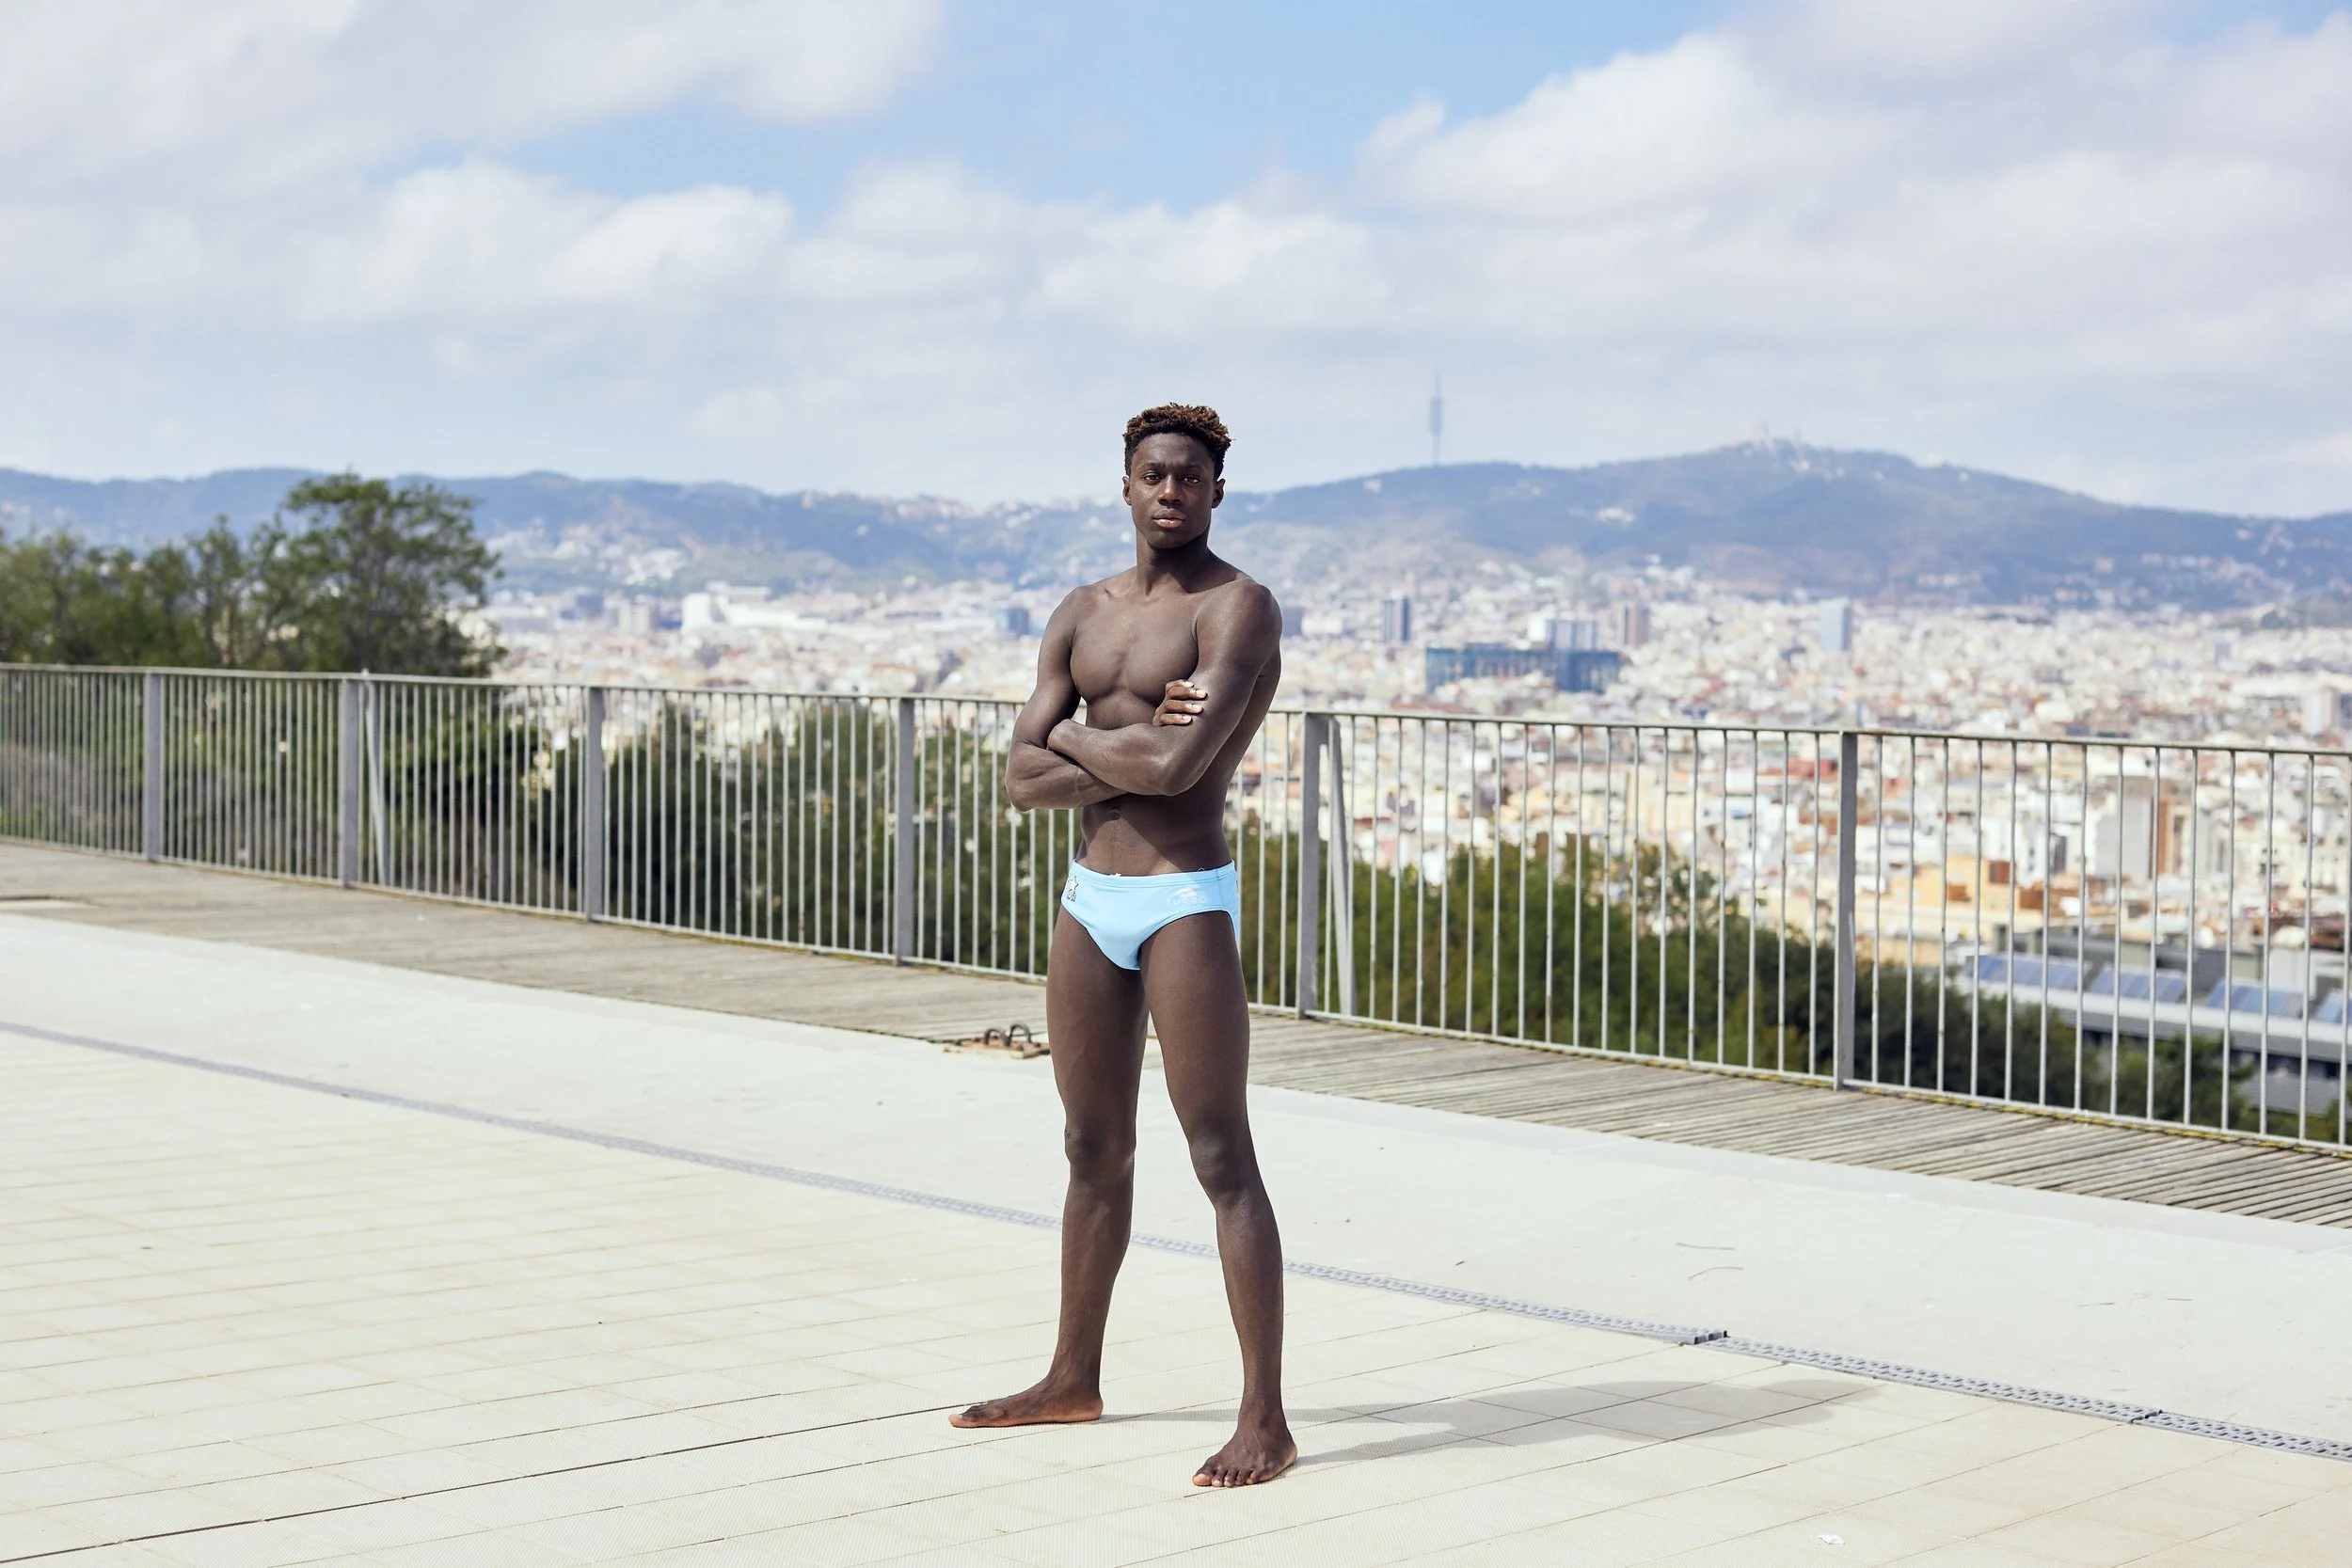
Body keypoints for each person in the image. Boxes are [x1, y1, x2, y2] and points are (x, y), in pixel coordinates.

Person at [949, 404, 1295, 1488]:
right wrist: (1128, 743)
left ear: (1216, 490)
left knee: (1218, 1155)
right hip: (1090, 897)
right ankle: (1070, 1376)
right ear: (1126, 483)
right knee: (1091, 1147)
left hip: (1184, 894)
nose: (1170, 492)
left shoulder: (1239, 608)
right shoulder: (1081, 613)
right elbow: (1019, 782)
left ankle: (1265, 1420)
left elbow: (1182, 774)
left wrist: (1070, 735)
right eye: (1152, 474)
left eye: (1189, 477)